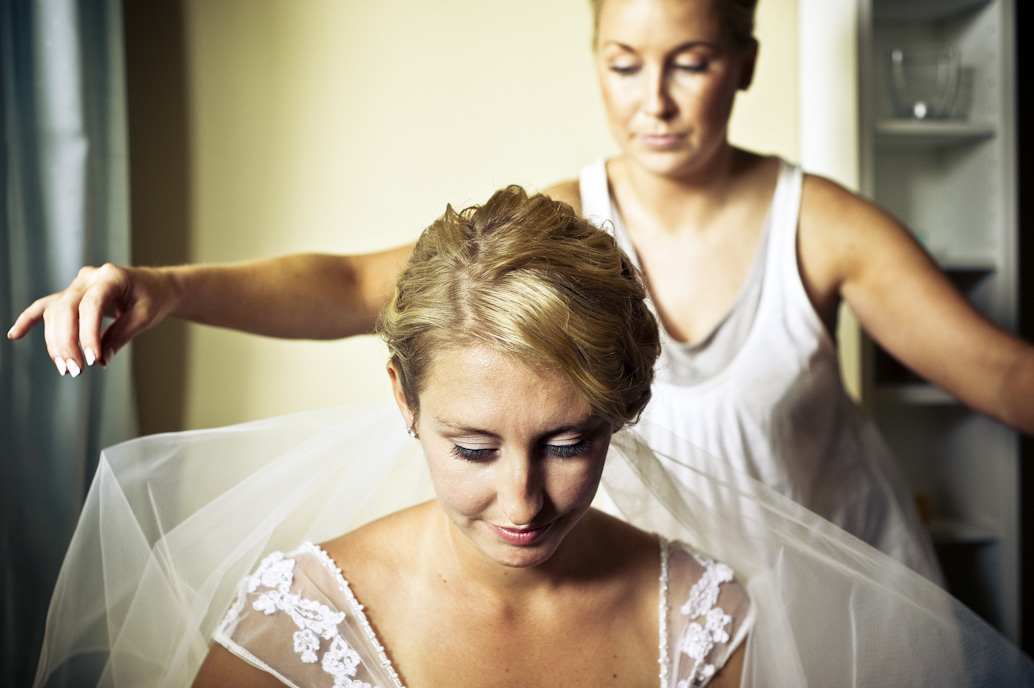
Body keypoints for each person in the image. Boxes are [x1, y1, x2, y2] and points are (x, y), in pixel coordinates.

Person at [10, 0, 1034, 580]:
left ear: (743, 63)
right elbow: (361, 282)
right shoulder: (563, 226)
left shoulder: (821, 225)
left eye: (689, 62)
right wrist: (168, 287)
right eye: (624, 64)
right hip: (638, 598)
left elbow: (998, 372)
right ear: (595, 60)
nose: (656, 102)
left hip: (819, 608)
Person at [32, 187, 1034, 687]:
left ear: (623, 410)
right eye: (472, 448)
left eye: (567, 443)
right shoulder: (296, 623)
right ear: (401, 399)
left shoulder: (701, 616)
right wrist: (166, 287)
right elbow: (343, 282)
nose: (521, 503)